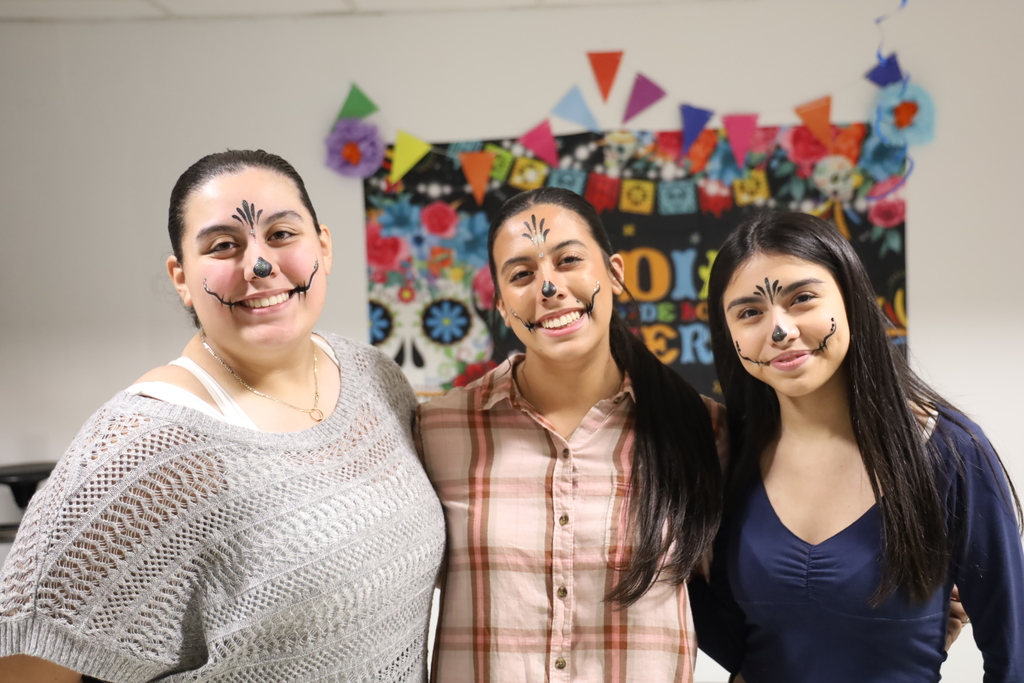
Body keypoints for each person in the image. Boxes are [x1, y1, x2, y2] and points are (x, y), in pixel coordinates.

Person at [0, 150, 445, 682]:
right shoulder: (141, 446)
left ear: (323, 247)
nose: (258, 265)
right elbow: (28, 658)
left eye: (281, 234)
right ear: (182, 277)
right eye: (223, 246)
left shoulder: (373, 375)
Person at [691, 211, 1024, 681]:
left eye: (802, 298)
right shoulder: (731, 456)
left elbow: (1014, 655)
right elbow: (739, 640)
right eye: (750, 312)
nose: (779, 330)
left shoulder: (951, 451)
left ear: (851, 299)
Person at [416, 187, 726, 682]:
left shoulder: (703, 433)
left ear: (616, 274)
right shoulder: (436, 432)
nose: (548, 287)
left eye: (569, 260)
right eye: (521, 274)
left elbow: (771, 602)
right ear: (500, 305)